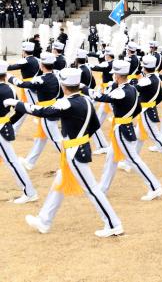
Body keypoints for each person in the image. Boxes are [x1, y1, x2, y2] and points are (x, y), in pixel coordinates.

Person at [8, 68, 124, 237]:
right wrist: (81, 139)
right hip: (77, 148)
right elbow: (94, 125)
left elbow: (41, 111)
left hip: (74, 152)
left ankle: (113, 224)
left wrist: (16, 103)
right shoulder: (85, 100)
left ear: (63, 85)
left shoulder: (66, 103)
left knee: (92, 189)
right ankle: (44, 220)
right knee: (58, 185)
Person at [91, 59, 162, 200]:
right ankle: (103, 188)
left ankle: (155, 186)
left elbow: (102, 97)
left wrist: (85, 90)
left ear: (118, 76)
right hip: (124, 126)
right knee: (111, 158)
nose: (113, 76)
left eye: (114, 75)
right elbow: (137, 108)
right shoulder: (130, 87)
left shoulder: (122, 91)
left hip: (122, 129)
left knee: (133, 160)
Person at [0, 60, 38, 204]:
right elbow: (21, 110)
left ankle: (30, 192)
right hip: (4, 126)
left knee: (12, 162)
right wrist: (9, 121)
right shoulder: (10, 90)